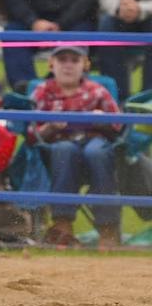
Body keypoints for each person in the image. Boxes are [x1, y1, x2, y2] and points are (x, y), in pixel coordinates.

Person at [30, 45, 122, 248]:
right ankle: (63, 226)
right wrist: (50, 127)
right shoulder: (41, 92)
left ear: (85, 65)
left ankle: (108, 228)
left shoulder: (98, 91)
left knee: (97, 152)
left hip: (96, 144)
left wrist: (103, 122)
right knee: (65, 150)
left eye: (75, 60)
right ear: (51, 64)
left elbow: (119, 128)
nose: (68, 65)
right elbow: (30, 134)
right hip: (56, 150)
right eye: (63, 60)